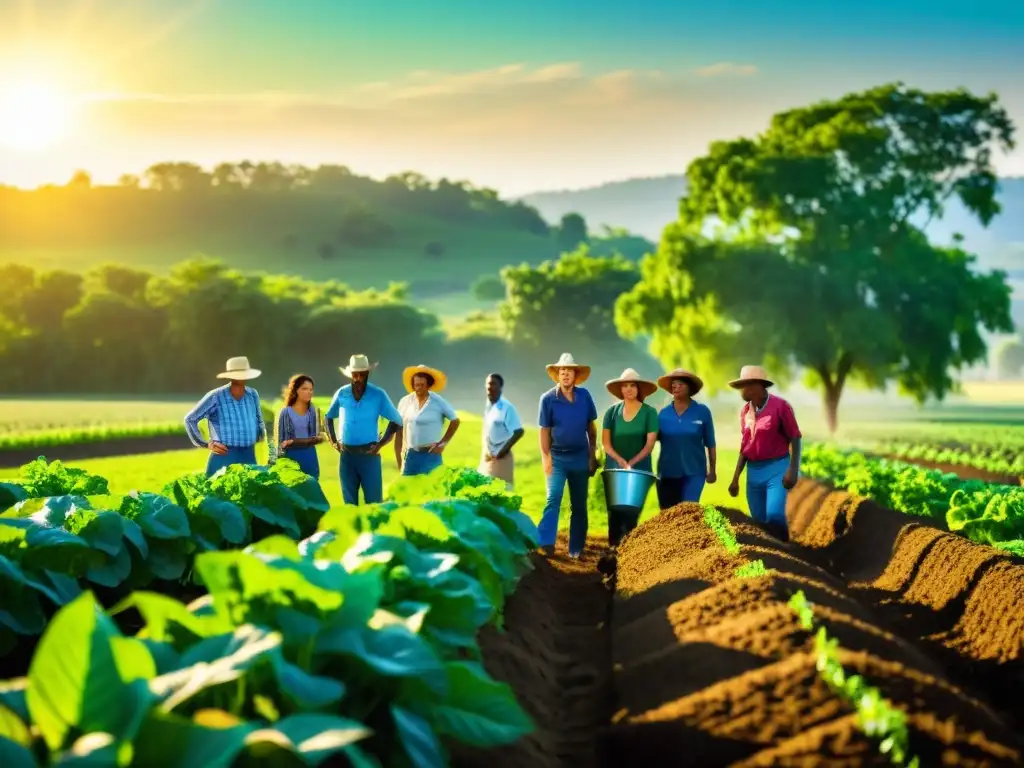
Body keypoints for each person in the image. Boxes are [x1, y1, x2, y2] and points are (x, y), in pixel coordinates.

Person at [726, 365, 802, 541]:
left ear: (758, 386)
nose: (741, 391)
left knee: (775, 517)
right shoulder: (745, 412)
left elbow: (795, 438)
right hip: (754, 473)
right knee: (759, 524)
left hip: (777, 469)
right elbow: (745, 446)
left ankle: (787, 556)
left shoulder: (780, 407)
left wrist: (793, 469)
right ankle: (771, 562)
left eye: (745, 385)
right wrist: (736, 478)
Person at [537, 353, 599, 559]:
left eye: (569, 371)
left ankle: (576, 549)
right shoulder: (547, 399)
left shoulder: (585, 396)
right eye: (562, 371)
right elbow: (544, 430)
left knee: (579, 504)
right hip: (557, 458)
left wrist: (593, 454)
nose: (565, 375)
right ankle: (545, 543)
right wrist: (546, 457)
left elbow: (591, 428)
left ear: (575, 375)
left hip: (581, 456)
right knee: (553, 498)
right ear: (557, 375)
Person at [324, 354, 403, 505]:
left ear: (368, 374)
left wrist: (380, 444)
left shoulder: (378, 394)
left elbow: (397, 421)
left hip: (369, 455)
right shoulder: (342, 393)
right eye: (356, 375)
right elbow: (328, 417)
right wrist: (333, 441)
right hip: (347, 456)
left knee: (374, 503)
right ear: (351, 375)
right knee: (349, 504)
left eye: (363, 374)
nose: (359, 378)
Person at [601, 368, 659, 548]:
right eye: (625, 385)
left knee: (631, 515)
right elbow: (606, 443)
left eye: (632, 385)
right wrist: (620, 461)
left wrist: (632, 463)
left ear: (638, 389)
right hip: (615, 469)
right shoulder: (611, 413)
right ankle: (612, 553)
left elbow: (649, 444)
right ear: (620, 390)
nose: (628, 389)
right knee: (614, 514)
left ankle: (628, 556)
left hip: (639, 470)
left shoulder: (649, 413)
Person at [184, 356, 266, 477]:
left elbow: (259, 420)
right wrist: (206, 444)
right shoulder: (216, 396)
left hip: (249, 455)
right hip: (224, 457)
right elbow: (190, 419)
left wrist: (260, 435)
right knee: (220, 494)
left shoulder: (253, 394)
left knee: (250, 493)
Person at [655, 368, 717, 508]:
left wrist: (712, 470)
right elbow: (650, 441)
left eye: (681, 384)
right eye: (674, 384)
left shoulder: (702, 411)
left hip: (694, 472)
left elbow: (711, 443)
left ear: (690, 388)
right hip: (667, 473)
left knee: (688, 512)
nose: (676, 387)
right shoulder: (663, 414)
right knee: (667, 516)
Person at [395, 364, 460, 476]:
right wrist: (399, 459)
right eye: (416, 385)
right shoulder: (405, 402)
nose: (418, 388)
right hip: (411, 455)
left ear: (428, 385)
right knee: (409, 490)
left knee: (432, 490)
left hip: (431, 455)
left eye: (422, 385)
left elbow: (455, 420)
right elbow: (399, 430)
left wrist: (442, 443)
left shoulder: (438, 401)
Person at [479, 373, 524, 489]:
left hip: (502, 459)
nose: (489, 387)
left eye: (493, 384)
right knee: (485, 492)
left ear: (500, 387)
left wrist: (502, 451)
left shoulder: (506, 407)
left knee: (503, 492)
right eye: (488, 384)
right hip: (488, 458)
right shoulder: (489, 406)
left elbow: (519, 431)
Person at [275, 373, 324, 479]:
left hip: (309, 457)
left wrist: (296, 441)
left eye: (311, 389)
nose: (309, 392)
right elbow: (282, 443)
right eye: (305, 389)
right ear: (296, 390)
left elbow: (315, 437)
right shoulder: (285, 413)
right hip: (292, 459)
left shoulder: (312, 411)